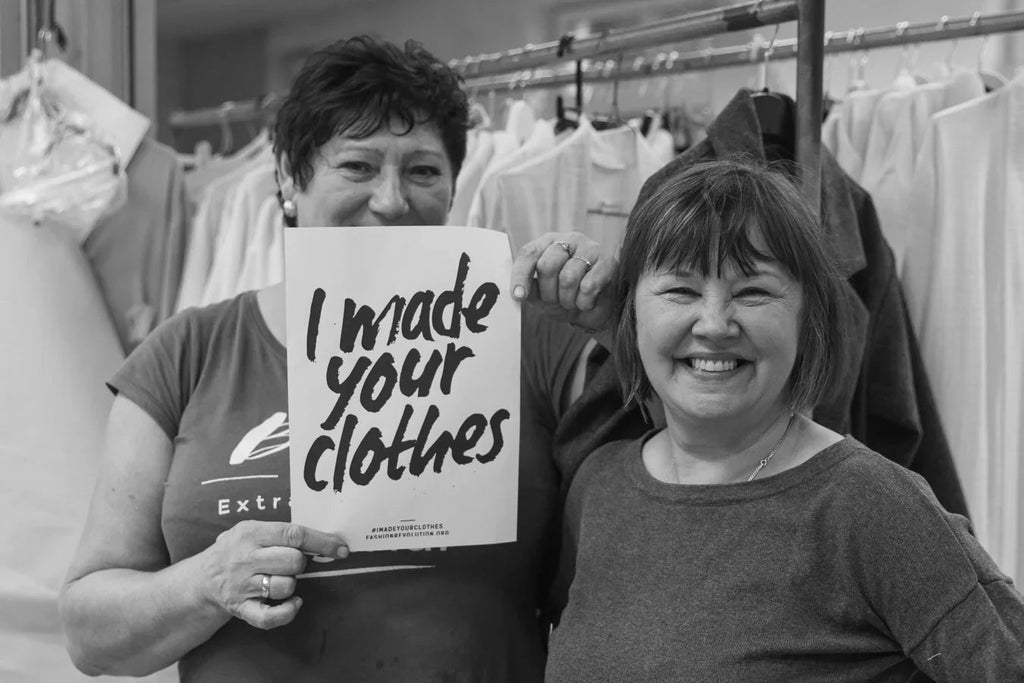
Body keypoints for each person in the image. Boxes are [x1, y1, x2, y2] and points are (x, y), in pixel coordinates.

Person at [60, 36, 604, 682]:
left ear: (455, 188)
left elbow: (676, 468)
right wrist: (206, 582)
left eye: (423, 170)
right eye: (358, 166)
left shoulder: (532, 337)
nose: (392, 198)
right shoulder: (189, 353)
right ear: (289, 180)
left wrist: (616, 312)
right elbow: (89, 632)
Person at [545, 159, 1024, 682]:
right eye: (680, 290)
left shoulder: (871, 506)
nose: (714, 324)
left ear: (807, 320)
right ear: (631, 313)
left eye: (753, 292)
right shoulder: (599, 486)